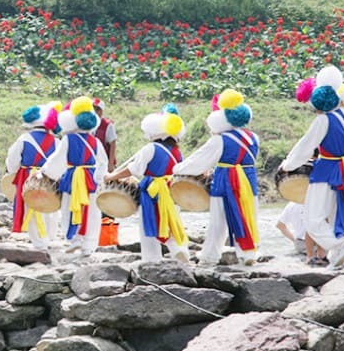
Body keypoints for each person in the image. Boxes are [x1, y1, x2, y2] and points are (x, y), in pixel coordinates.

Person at [280, 68, 344, 268]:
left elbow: (305, 146)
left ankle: (339, 245)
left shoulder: (323, 120)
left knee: (313, 219)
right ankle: (338, 254)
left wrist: (288, 165)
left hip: (326, 170)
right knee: (336, 214)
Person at [174, 89, 261, 266]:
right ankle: (248, 253)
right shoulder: (254, 138)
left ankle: (210, 256)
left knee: (218, 221)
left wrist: (178, 168)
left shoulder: (220, 140)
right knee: (248, 215)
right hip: (248, 180)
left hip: (225, 180)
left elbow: (199, 161)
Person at [105, 108, 190, 263]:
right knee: (170, 220)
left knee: (149, 222)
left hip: (152, 190)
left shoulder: (150, 148)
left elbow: (133, 169)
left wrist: (111, 176)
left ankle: (152, 259)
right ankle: (179, 248)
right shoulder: (177, 152)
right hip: (171, 189)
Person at [42, 97, 107, 258]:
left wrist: (45, 172)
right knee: (91, 211)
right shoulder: (95, 141)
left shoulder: (68, 139)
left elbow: (57, 159)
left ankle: (73, 238)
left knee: (69, 207)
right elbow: (103, 163)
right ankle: (88, 245)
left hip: (72, 177)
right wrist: (98, 179)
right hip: (90, 178)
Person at [5, 103, 60, 249]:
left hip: (28, 178)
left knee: (30, 206)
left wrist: (13, 172)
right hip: (48, 177)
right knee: (49, 206)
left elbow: (12, 162)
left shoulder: (23, 139)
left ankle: (38, 242)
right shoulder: (56, 141)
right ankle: (48, 237)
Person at [93, 98, 118, 172]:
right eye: (93, 109)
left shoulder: (108, 125)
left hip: (104, 162)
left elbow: (113, 144)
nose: (94, 112)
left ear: (101, 111)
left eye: (97, 109)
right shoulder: (88, 124)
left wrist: (110, 165)